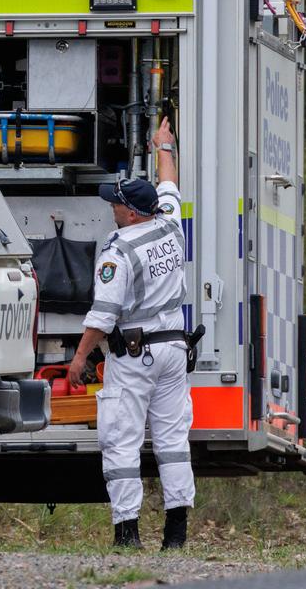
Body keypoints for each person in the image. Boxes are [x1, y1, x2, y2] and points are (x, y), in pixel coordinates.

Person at [68, 117, 192, 550]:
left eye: (116, 204)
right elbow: (170, 185)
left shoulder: (118, 251)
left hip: (135, 357)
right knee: (173, 442)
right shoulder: (171, 224)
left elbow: (103, 315)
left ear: (133, 211)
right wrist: (164, 147)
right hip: (175, 351)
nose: (112, 208)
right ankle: (176, 536)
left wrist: (80, 357)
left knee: (121, 440)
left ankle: (127, 534)